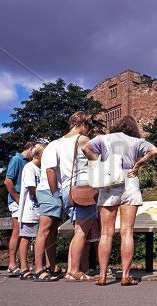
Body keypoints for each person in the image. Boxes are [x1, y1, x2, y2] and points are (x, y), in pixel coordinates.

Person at [84, 116, 157, 286]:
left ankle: (102, 275)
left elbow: (86, 148)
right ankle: (126, 275)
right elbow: (153, 151)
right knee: (127, 232)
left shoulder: (103, 139)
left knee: (105, 233)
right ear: (133, 128)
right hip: (130, 180)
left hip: (109, 180)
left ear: (117, 126)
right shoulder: (137, 141)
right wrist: (139, 163)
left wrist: (98, 163)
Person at [58, 111, 103, 282]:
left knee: (77, 231)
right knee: (81, 232)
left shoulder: (59, 142)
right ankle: (76, 271)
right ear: (82, 124)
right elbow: (96, 161)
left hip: (67, 189)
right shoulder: (83, 140)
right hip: (83, 188)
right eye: (88, 126)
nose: (89, 130)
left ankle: (70, 271)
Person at [33, 138, 64, 282]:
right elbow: (50, 170)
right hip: (49, 191)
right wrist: (55, 193)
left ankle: (53, 267)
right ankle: (39, 269)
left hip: (51, 191)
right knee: (44, 230)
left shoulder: (57, 147)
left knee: (52, 233)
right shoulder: (56, 146)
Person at [4, 141, 36, 276]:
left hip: (25, 201)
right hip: (17, 201)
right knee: (17, 231)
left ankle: (23, 264)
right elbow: (8, 180)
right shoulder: (17, 160)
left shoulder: (27, 163)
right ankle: (12, 264)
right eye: (34, 151)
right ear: (30, 148)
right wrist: (16, 197)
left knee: (25, 233)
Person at [17, 143, 45, 280]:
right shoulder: (29, 168)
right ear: (38, 155)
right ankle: (23, 267)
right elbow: (31, 187)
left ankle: (38, 265)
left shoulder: (40, 169)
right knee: (26, 237)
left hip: (39, 209)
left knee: (38, 237)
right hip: (29, 208)